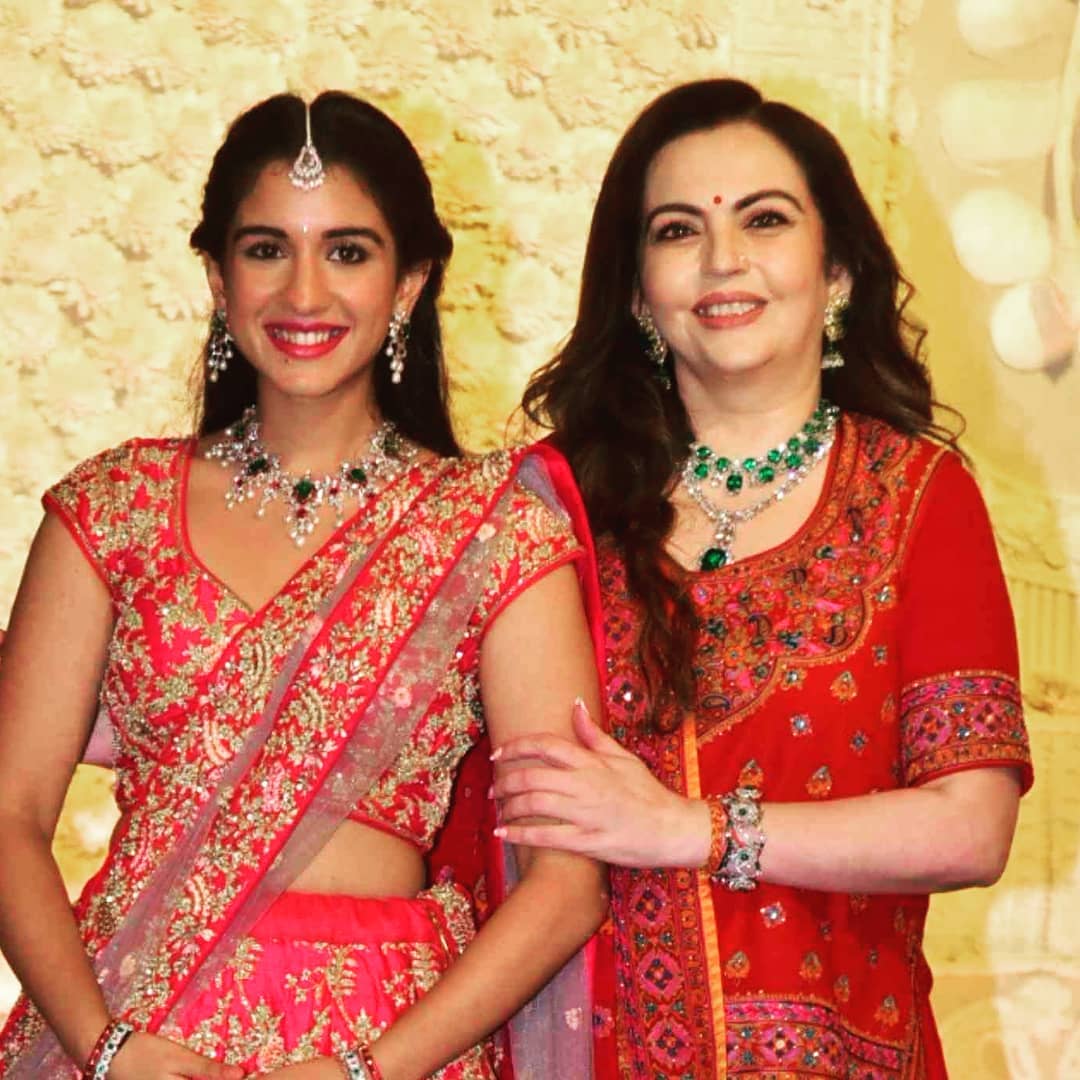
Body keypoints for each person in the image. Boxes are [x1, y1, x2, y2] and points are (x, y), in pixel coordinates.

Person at [0, 91, 607, 1080]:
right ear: (217, 276)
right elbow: (11, 816)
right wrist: (103, 1049)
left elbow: (565, 884)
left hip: (382, 1039)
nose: (305, 292)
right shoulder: (114, 508)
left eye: (349, 251)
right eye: (267, 249)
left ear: (409, 283)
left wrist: (367, 1070)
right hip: (135, 1020)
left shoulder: (489, 530)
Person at [498, 79, 1033, 1078]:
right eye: (677, 230)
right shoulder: (553, 511)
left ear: (837, 270)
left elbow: (971, 828)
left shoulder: (919, 496)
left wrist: (688, 830)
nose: (722, 259)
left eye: (765, 219)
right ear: (636, 293)